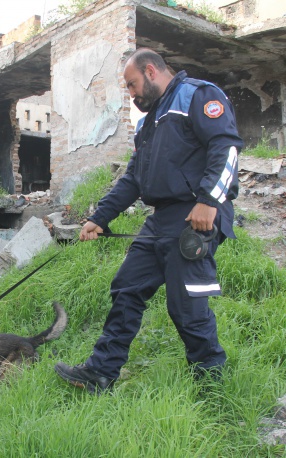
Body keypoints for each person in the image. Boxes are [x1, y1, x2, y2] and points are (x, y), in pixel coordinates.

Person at [54, 48, 243, 394]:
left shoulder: (198, 96)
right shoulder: (148, 123)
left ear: (151, 71)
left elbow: (226, 148)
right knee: (126, 288)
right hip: (160, 220)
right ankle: (101, 373)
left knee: (186, 305)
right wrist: (100, 217)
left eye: (132, 84)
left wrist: (209, 201)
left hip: (195, 216)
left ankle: (212, 385)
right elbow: (133, 179)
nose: (131, 93)